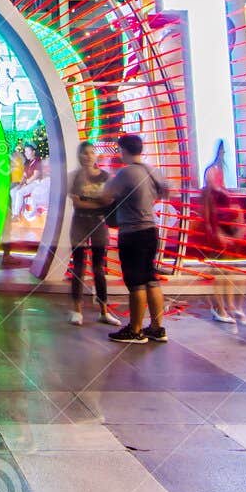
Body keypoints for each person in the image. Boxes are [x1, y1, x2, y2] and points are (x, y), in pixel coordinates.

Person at [102, 134, 169, 345]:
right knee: (151, 278)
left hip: (132, 233)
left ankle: (135, 329)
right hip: (151, 231)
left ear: (124, 150)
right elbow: (166, 191)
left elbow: (105, 195)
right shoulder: (152, 170)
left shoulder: (126, 173)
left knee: (136, 282)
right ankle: (157, 328)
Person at [67, 142, 120, 326]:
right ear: (79, 156)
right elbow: (77, 204)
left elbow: (110, 200)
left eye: (91, 153)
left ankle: (104, 311)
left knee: (99, 269)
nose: (88, 156)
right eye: (84, 153)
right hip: (80, 223)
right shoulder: (74, 177)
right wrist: (99, 203)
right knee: (79, 267)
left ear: (96, 155)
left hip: (99, 224)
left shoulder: (106, 176)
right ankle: (77, 309)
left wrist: (93, 203)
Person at [192, 142, 243, 325]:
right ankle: (219, 307)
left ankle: (227, 306)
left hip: (225, 231)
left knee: (227, 272)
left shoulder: (221, 184)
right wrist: (215, 232)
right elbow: (207, 216)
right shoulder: (209, 192)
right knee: (218, 271)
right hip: (216, 233)